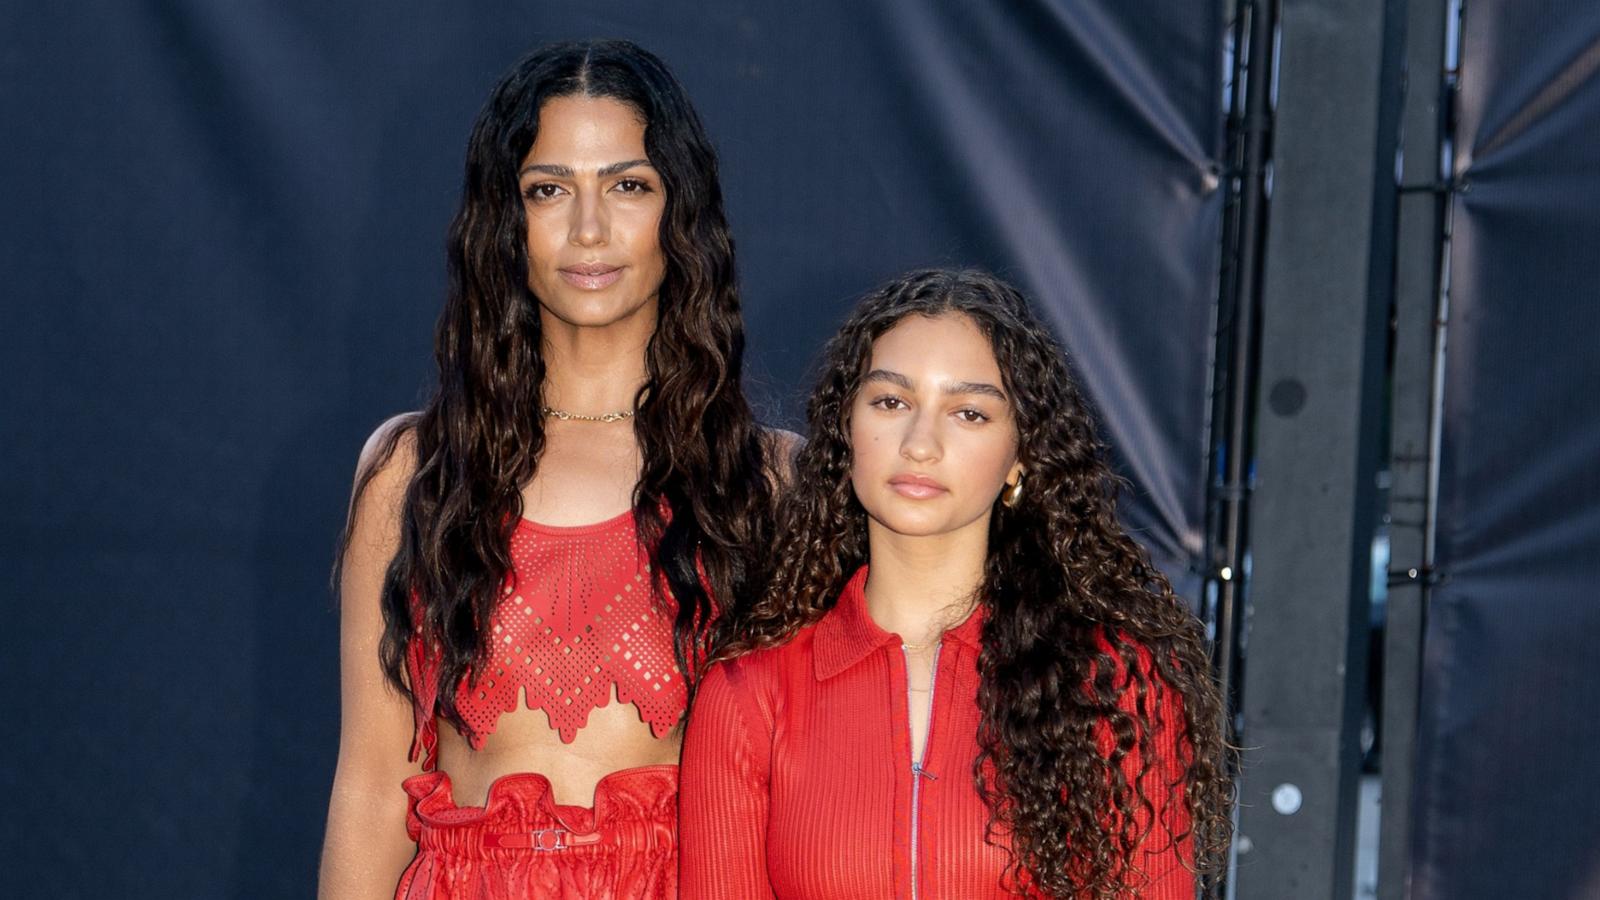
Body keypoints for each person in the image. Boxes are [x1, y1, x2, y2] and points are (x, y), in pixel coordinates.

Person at [319, 40, 786, 899]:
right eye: (548, 189)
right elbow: (368, 792)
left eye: (627, 185)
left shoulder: (772, 484)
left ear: (679, 211)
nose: (589, 229)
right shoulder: (413, 475)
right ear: (505, 219)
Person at [679, 269, 1233, 898]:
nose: (920, 443)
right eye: (891, 402)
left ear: (1021, 458)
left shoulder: (1113, 681)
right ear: (845, 429)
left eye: (969, 412)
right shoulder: (751, 690)